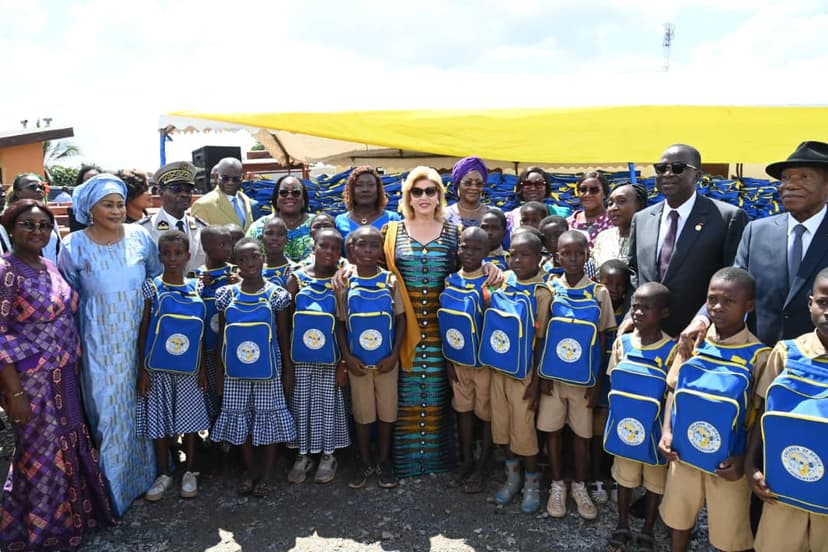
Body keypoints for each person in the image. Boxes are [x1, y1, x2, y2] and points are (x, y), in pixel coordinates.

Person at [0, 200, 115, 550]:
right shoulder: (6, 270)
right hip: (30, 382)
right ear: (9, 229)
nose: (37, 232)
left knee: (68, 443)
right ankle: (40, 531)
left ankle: (75, 519)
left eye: (44, 226)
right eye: (27, 225)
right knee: (39, 455)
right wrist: (14, 394)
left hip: (64, 372)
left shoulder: (48, 265)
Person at [58, 173, 162, 516]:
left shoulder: (140, 238)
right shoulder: (74, 245)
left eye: (120, 204)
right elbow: (68, 295)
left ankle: (145, 478)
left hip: (139, 339)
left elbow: (153, 278)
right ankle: (112, 494)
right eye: (109, 205)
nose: (117, 211)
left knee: (140, 408)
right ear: (90, 208)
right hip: (98, 343)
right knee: (106, 414)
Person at [658, 268, 771, 552]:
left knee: (729, 534)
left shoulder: (760, 355)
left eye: (728, 301)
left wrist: (747, 459)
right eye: (712, 300)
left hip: (728, 462)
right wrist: (667, 431)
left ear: (749, 306)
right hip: (683, 455)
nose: (717, 307)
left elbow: (761, 415)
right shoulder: (692, 344)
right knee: (678, 520)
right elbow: (674, 389)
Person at [681, 140, 828, 350]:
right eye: (785, 178)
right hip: (760, 353)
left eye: (804, 177)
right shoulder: (757, 231)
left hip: (818, 363)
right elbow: (734, 285)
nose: (789, 185)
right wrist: (702, 320)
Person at [382, 166, 461, 478]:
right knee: (405, 394)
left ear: (440, 195)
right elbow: (367, 263)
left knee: (441, 394)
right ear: (408, 197)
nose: (424, 197)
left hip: (441, 331)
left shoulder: (454, 232)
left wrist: (496, 271)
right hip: (405, 328)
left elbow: (470, 265)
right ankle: (405, 462)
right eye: (418, 191)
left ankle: (438, 461)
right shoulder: (392, 232)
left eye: (431, 191)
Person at [626, 144, 748, 337]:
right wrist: (630, 315)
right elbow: (634, 271)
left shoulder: (727, 218)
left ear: (698, 176)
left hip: (698, 334)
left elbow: (734, 278)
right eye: (661, 168)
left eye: (677, 168)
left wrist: (704, 318)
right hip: (646, 335)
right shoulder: (641, 219)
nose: (667, 174)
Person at [746, 268, 828, 552]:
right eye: (823, 302)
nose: (827, 312)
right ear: (810, 303)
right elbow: (762, 412)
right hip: (784, 483)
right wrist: (751, 465)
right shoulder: (787, 353)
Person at [537, 231, 616, 521]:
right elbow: (542, 336)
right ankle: (558, 484)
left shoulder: (599, 293)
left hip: (584, 382)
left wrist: (597, 381)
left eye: (578, 254)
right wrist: (541, 375)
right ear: (557, 256)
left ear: (587, 255)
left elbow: (604, 338)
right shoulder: (550, 290)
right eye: (566, 254)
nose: (572, 259)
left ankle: (579, 486)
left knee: (582, 435)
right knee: (553, 431)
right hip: (554, 378)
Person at [211, 238, 296, 498]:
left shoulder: (276, 295)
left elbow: (283, 335)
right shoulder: (227, 295)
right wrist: (219, 372)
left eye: (255, 257)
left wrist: (288, 371)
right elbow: (222, 337)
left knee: (269, 420)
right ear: (236, 264)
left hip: (268, 372)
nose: (250, 263)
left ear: (263, 259)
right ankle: (250, 471)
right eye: (243, 259)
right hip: (235, 373)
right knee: (240, 421)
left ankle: (267, 474)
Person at [136, 231, 211, 501]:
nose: (172, 259)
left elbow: (198, 334)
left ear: (188, 256)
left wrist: (202, 368)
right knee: (160, 420)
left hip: (189, 369)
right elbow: (144, 329)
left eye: (178, 253)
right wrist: (143, 370)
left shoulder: (196, 287)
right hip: (158, 367)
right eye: (166, 253)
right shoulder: (152, 287)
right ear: (159, 256)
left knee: (190, 422)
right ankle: (164, 472)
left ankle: (189, 471)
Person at [603, 282, 676, 552]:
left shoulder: (672, 349)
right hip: (624, 427)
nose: (639, 313)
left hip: (655, 430)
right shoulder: (622, 343)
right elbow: (614, 380)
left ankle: (647, 528)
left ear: (664, 312)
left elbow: (672, 393)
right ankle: (622, 524)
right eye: (635, 307)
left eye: (647, 308)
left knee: (655, 482)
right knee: (624, 478)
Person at [485, 230, 552, 513]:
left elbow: (542, 343)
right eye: (513, 254)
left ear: (540, 258)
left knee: (524, 432)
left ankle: (531, 483)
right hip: (499, 369)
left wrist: (536, 382)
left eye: (525, 255)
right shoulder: (504, 281)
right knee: (502, 428)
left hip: (524, 375)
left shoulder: (542, 292)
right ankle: (512, 480)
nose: (518, 260)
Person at [336, 225, 406, 490]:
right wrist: (347, 357)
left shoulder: (389, 280)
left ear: (381, 250)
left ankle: (384, 460)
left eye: (374, 246)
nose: (367, 251)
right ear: (351, 248)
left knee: (387, 413)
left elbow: (400, 318)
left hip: (387, 360)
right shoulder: (345, 281)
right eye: (362, 245)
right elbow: (341, 322)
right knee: (363, 414)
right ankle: (364, 460)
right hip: (358, 363)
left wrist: (395, 353)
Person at [284, 228, 350, 485]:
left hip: (330, 358)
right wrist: (287, 363)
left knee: (328, 406)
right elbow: (286, 321)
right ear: (313, 248)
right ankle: (302, 455)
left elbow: (345, 324)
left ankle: (327, 455)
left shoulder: (342, 281)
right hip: (300, 359)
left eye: (335, 248)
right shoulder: (297, 279)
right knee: (301, 404)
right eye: (324, 246)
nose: (329, 252)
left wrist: (343, 363)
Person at [442, 227, 493, 494]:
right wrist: (449, 360)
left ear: (486, 252)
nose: (469, 253)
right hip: (458, 362)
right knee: (463, 411)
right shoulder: (450, 280)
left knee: (485, 415)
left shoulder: (492, 282)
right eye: (464, 247)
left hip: (484, 364)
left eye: (476, 249)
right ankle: (466, 461)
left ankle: (483, 465)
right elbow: (447, 324)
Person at [591, 258, 632, 505]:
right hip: (598, 382)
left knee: (617, 430)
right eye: (608, 285)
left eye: (620, 285)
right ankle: (595, 476)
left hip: (619, 385)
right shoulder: (595, 309)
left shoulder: (630, 315)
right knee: (597, 433)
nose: (614, 291)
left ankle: (616, 477)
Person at [193, 225, 235, 422]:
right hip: (205, 350)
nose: (228, 248)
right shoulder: (197, 277)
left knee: (227, 393)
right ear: (206, 247)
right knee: (207, 392)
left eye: (230, 243)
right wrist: (201, 285)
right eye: (222, 244)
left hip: (229, 350)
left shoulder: (234, 274)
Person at [138, 162, 207, 274]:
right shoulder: (144, 230)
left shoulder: (201, 227)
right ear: (161, 193)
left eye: (188, 190)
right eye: (176, 189)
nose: (184, 194)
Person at [246, 175, 313, 262]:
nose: (289, 197)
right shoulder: (259, 227)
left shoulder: (318, 224)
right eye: (283, 192)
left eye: (295, 192)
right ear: (276, 199)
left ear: (304, 199)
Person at [334, 166, 401, 242]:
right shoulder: (340, 221)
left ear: (378, 189)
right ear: (351, 190)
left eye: (370, 185)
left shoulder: (392, 219)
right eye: (359, 185)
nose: (365, 189)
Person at [8, 173, 61, 263]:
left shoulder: (49, 219)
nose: (39, 190)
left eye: (41, 187)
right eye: (32, 187)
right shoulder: (9, 220)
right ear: (18, 193)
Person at [592, 183, 649, 266]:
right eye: (610, 203)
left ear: (639, 205)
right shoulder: (604, 238)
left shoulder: (651, 238)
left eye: (621, 201)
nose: (613, 208)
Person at [506, 166, 570, 238]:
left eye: (539, 184)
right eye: (527, 183)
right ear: (521, 188)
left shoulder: (561, 214)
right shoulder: (511, 218)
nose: (533, 188)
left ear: (546, 188)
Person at [191, 158, 254, 230]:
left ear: (242, 177)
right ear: (218, 177)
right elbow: (198, 238)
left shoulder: (246, 200)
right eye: (225, 178)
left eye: (235, 178)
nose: (230, 182)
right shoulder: (202, 205)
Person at [567, 172, 613, 247]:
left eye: (594, 190)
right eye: (583, 190)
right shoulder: (568, 223)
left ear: (604, 194)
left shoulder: (613, 223)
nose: (587, 194)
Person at [444, 156, 488, 228]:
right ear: (458, 184)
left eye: (479, 183)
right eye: (468, 183)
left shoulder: (494, 215)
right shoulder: (444, 216)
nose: (474, 187)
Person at [261, 217, 295, 287]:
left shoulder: (295, 271)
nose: (275, 238)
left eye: (280, 234)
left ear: (286, 239)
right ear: (262, 237)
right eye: (269, 233)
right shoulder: (252, 269)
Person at [67, 164, 101, 231]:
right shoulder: (75, 210)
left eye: (96, 179)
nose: (92, 183)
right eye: (88, 180)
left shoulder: (114, 205)